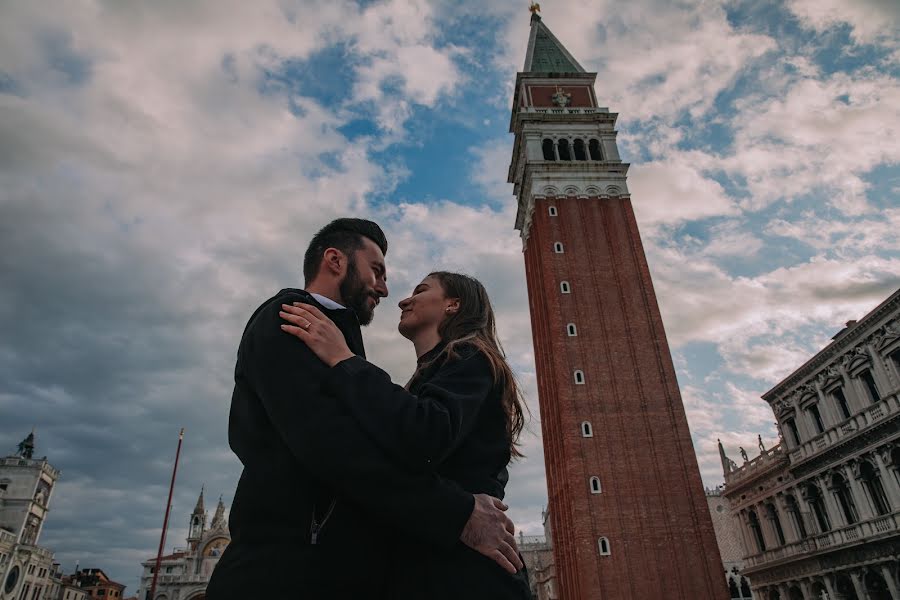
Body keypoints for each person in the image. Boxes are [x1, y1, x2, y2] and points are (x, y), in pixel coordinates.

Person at [206, 219, 520, 599]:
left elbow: (413, 435)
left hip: (412, 572)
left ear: (453, 305)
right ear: (335, 261)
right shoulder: (294, 319)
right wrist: (456, 515)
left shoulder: (342, 344)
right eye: (377, 271)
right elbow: (336, 448)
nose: (390, 291)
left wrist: (345, 359)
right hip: (289, 570)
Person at [280, 270, 532, 599]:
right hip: (436, 565)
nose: (403, 299)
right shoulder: (433, 375)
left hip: (464, 572)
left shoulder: (471, 358)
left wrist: (343, 359)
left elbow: (424, 436)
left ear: (453, 304)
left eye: (421, 290)